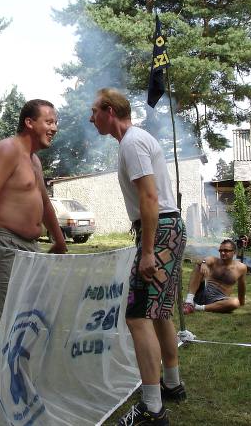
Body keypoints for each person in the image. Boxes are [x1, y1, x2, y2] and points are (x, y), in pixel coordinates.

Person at [89, 88, 186, 426]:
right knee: (159, 312)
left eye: (94, 112)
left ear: (109, 111)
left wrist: (147, 252)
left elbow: (149, 197)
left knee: (137, 316)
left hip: (159, 231)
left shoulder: (132, 142)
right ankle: (171, 384)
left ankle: (152, 408)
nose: (91, 118)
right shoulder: (134, 140)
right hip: (168, 228)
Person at [0, 99, 67, 323]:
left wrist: (59, 239)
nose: (54, 128)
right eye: (49, 122)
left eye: (55, 123)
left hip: (31, 247)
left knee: (32, 316)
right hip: (5, 244)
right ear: (29, 122)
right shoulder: (7, 149)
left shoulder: (34, 160)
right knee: (7, 321)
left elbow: (44, 203)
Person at [183, 239, 247, 314]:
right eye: (220, 250)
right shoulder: (214, 260)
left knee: (235, 302)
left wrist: (241, 302)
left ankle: (197, 307)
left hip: (219, 299)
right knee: (199, 266)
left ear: (234, 252)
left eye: (226, 250)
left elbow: (241, 285)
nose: (222, 253)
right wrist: (204, 263)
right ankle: (189, 301)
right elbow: (204, 259)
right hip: (203, 293)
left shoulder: (241, 268)